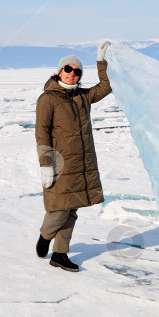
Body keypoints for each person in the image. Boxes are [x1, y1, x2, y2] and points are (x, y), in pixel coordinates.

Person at [35, 41, 112, 272]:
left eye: (77, 71)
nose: (72, 74)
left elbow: (106, 87)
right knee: (58, 211)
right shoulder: (48, 99)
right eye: (68, 69)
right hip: (60, 164)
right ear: (59, 71)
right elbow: (42, 134)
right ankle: (45, 236)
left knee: (71, 212)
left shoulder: (83, 97)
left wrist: (101, 62)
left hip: (82, 164)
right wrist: (46, 164)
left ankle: (60, 254)